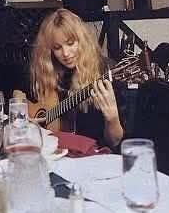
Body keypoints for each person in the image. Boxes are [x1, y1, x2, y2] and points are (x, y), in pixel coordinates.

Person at [25, 8, 124, 148]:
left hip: (94, 155)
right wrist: (24, 116)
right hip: (58, 152)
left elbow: (114, 142)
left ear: (82, 41)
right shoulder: (49, 70)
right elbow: (18, 94)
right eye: (57, 48)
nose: (66, 53)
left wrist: (112, 119)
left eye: (71, 43)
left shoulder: (106, 71)